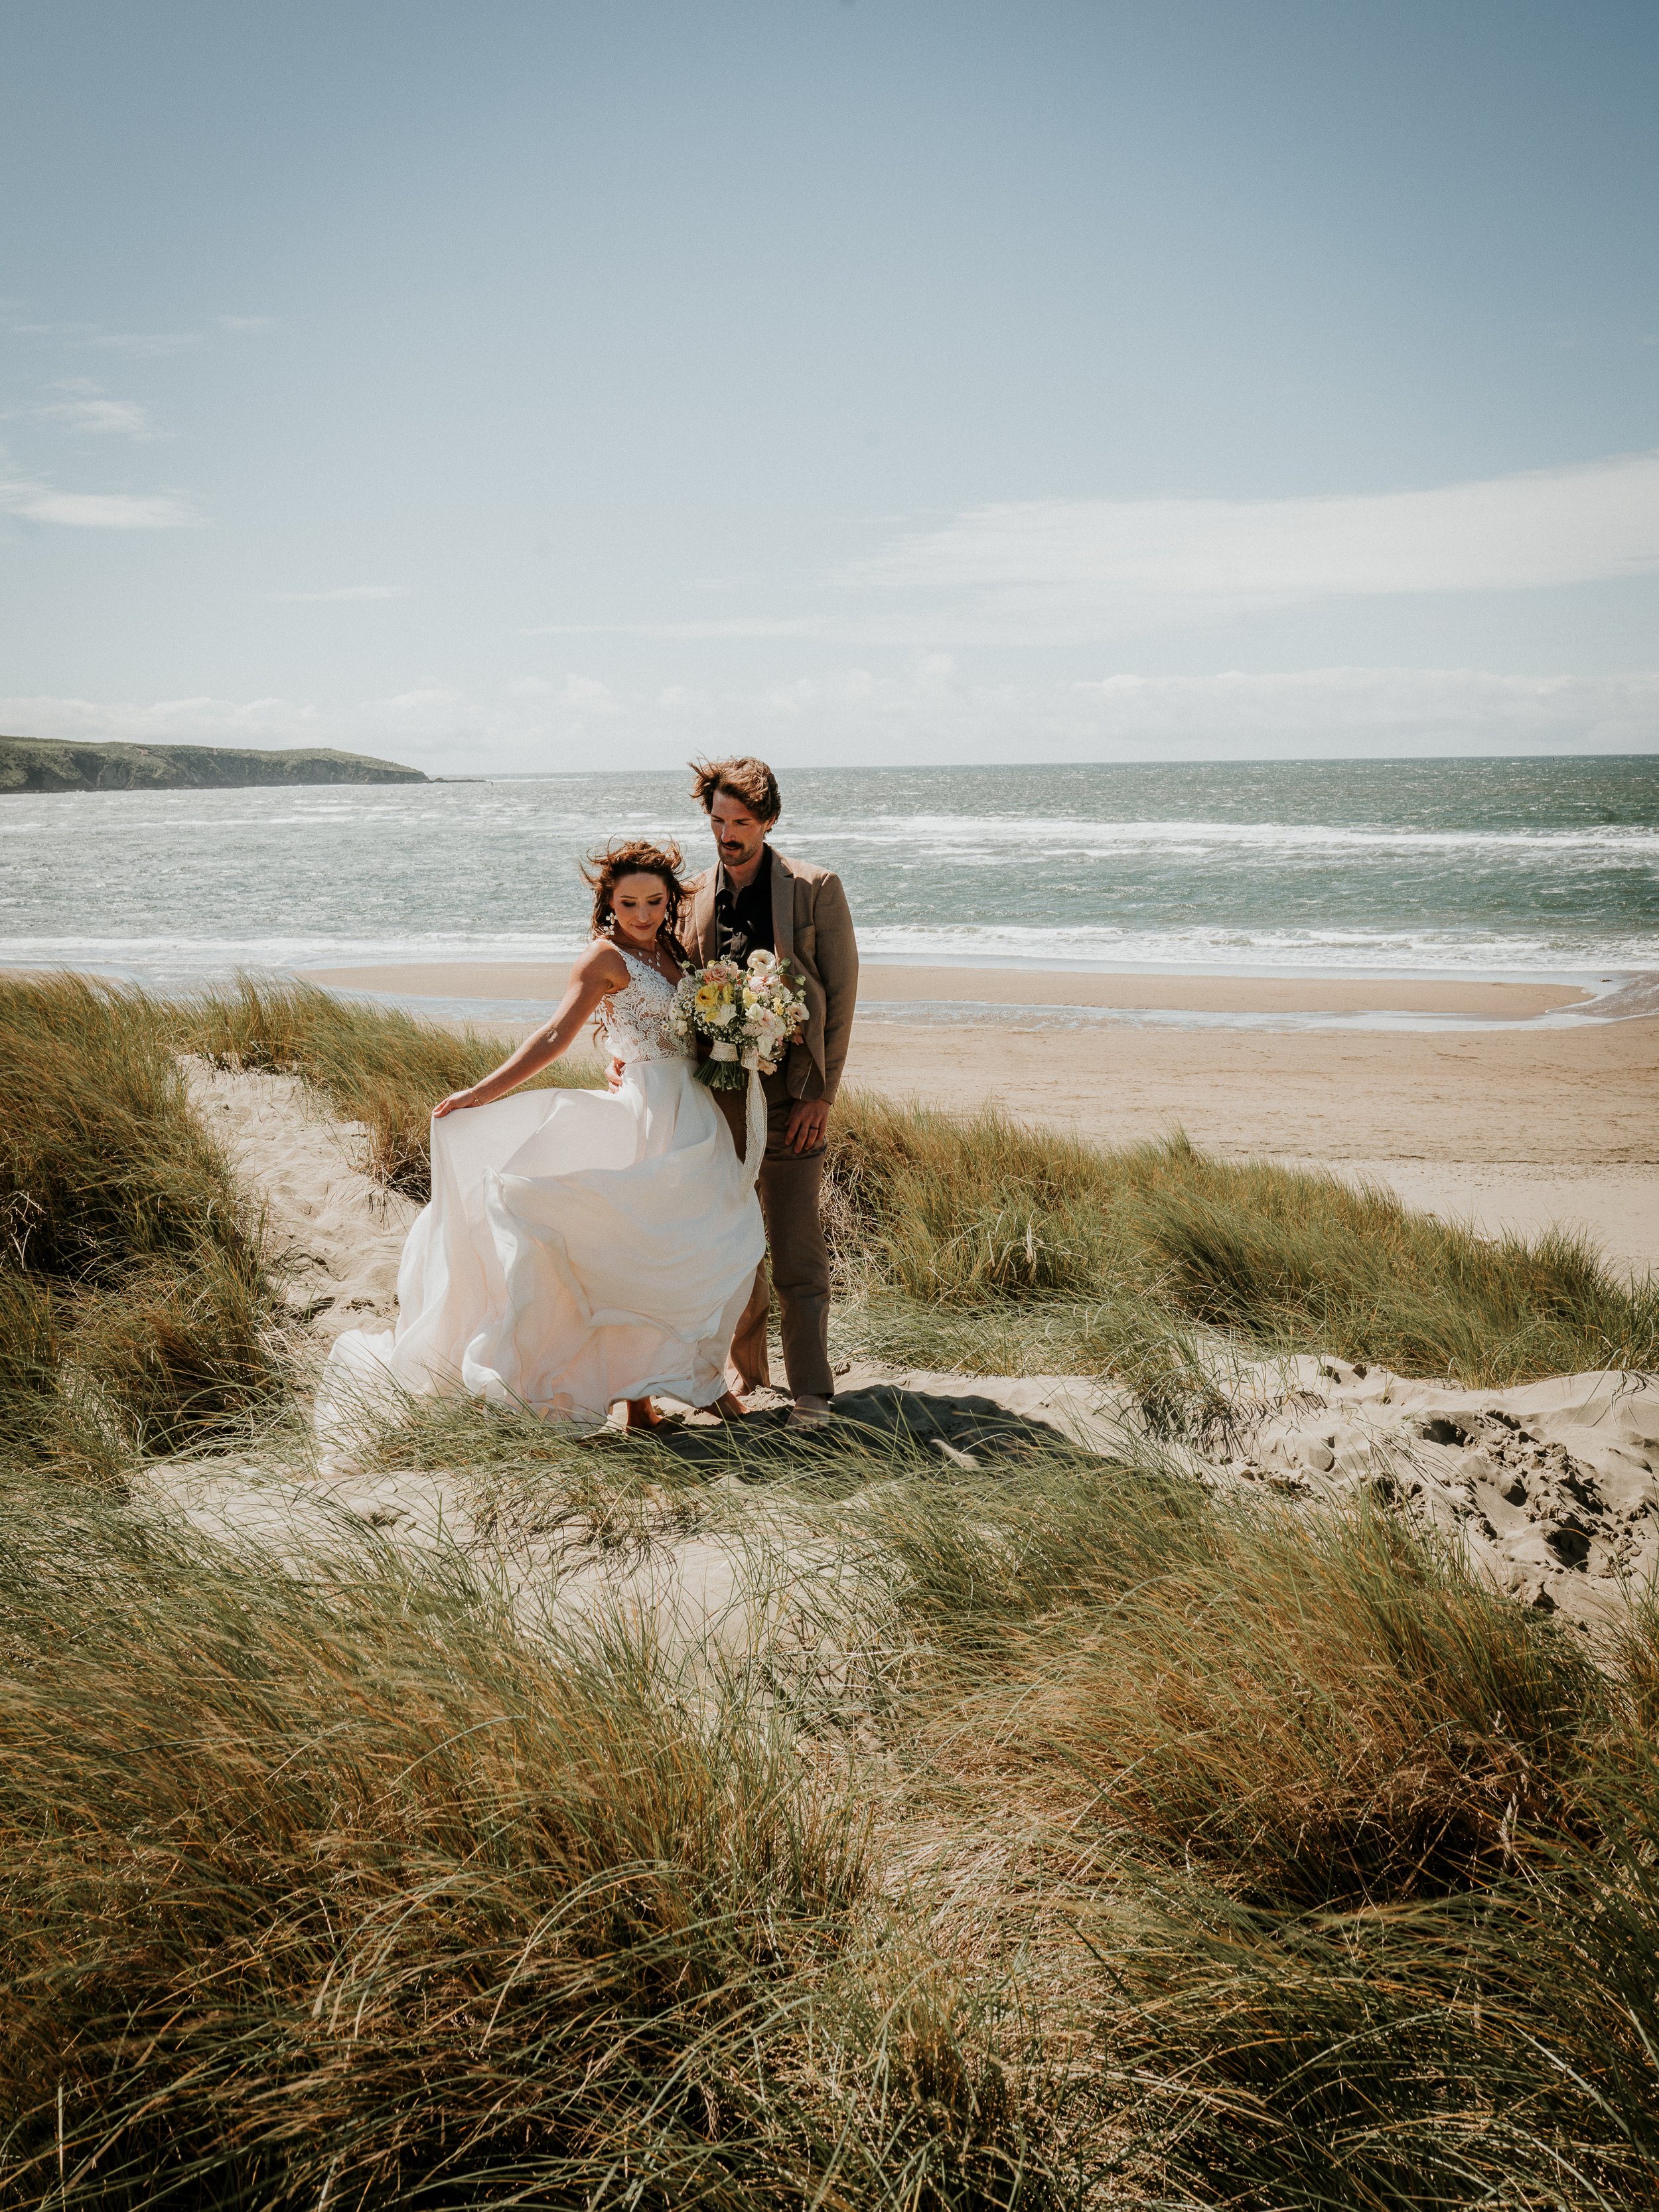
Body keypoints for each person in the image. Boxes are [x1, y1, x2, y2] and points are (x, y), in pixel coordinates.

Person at [321, 840, 762, 1434]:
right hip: (647, 1114)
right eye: (629, 902)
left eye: (654, 901)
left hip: (694, 1111)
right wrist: (481, 1093)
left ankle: (671, 1388)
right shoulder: (603, 958)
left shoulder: (672, 951)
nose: (642, 913)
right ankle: (639, 1403)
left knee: (699, 1243)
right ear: (608, 900)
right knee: (625, 1251)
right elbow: (555, 1036)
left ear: (670, 901)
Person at [679, 755, 858, 1424]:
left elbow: (839, 1000)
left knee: (795, 1244)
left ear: (769, 821)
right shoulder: (690, 894)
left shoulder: (815, 889)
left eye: (742, 823)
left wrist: (823, 1094)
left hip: (794, 1095)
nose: (727, 835)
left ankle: (811, 1386)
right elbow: (670, 990)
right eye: (718, 821)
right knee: (731, 1241)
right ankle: (746, 1369)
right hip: (718, 1097)